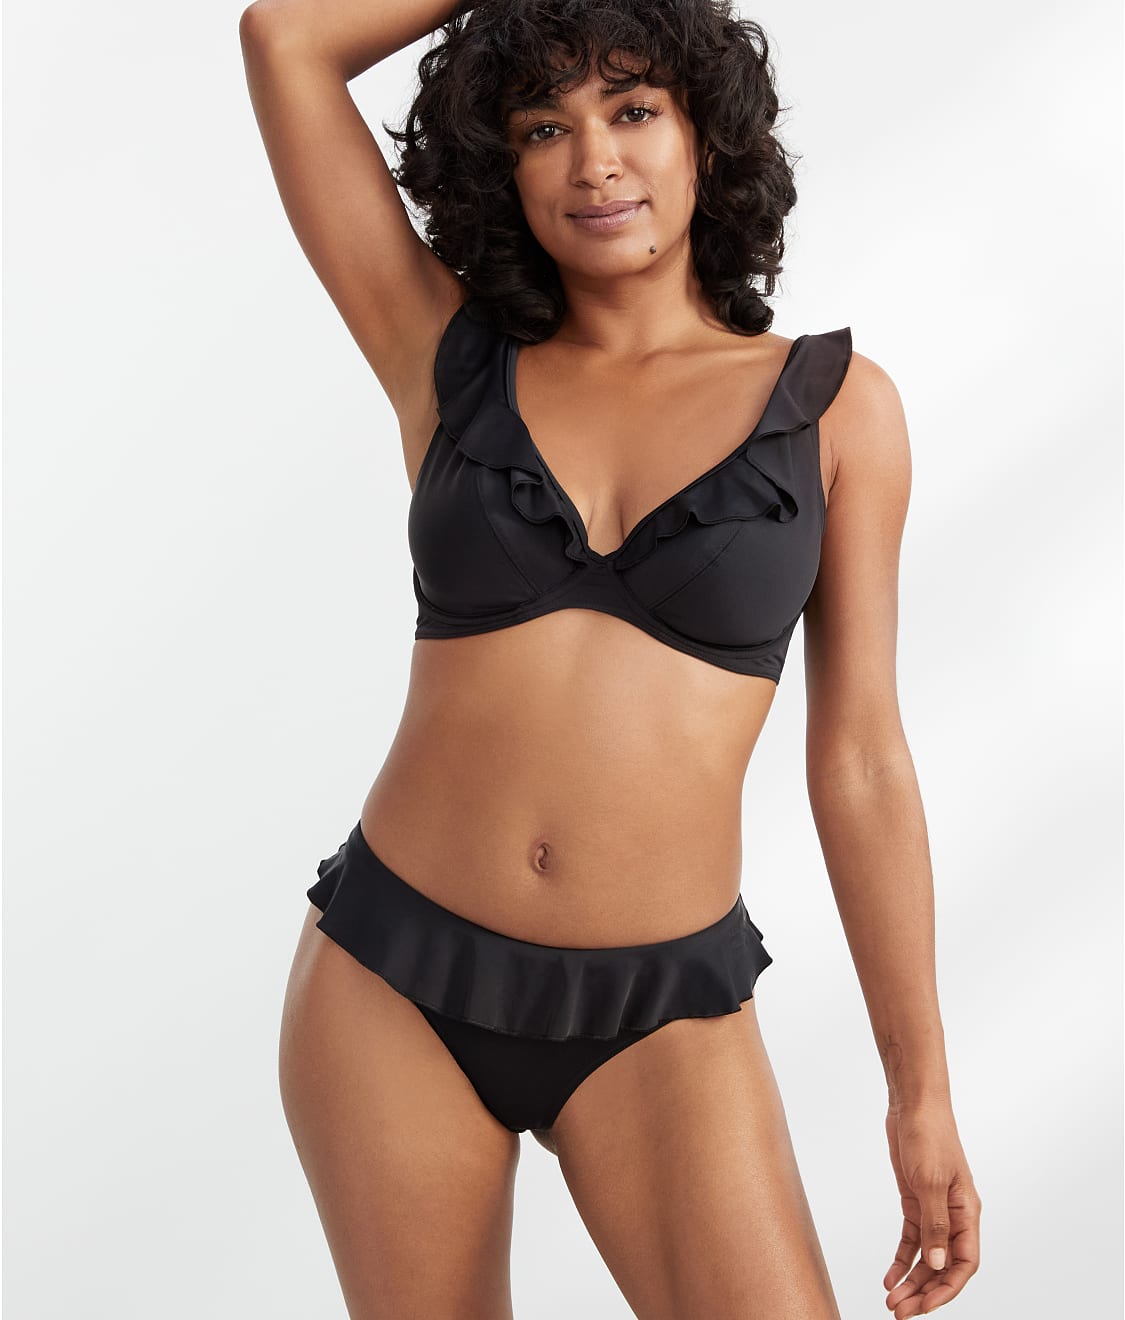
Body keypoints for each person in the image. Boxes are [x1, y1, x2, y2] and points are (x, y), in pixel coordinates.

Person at [240, 0, 982, 1314]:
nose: (593, 161)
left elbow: (862, 759)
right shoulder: (447, 358)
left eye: (633, 109)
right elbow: (285, 40)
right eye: (544, 127)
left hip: (659, 1009)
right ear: (502, 166)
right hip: (391, 980)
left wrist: (917, 1092)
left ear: (705, 136)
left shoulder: (837, 413)